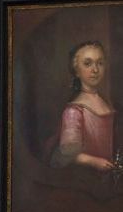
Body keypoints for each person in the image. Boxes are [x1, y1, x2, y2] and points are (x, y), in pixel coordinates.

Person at [49, 40, 117, 172]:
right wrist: (94, 161)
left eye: (100, 63)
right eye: (87, 63)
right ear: (76, 71)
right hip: (86, 177)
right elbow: (68, 155)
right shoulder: (74, 111)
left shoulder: (107, 102)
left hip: (109, 173)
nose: (95, 69)